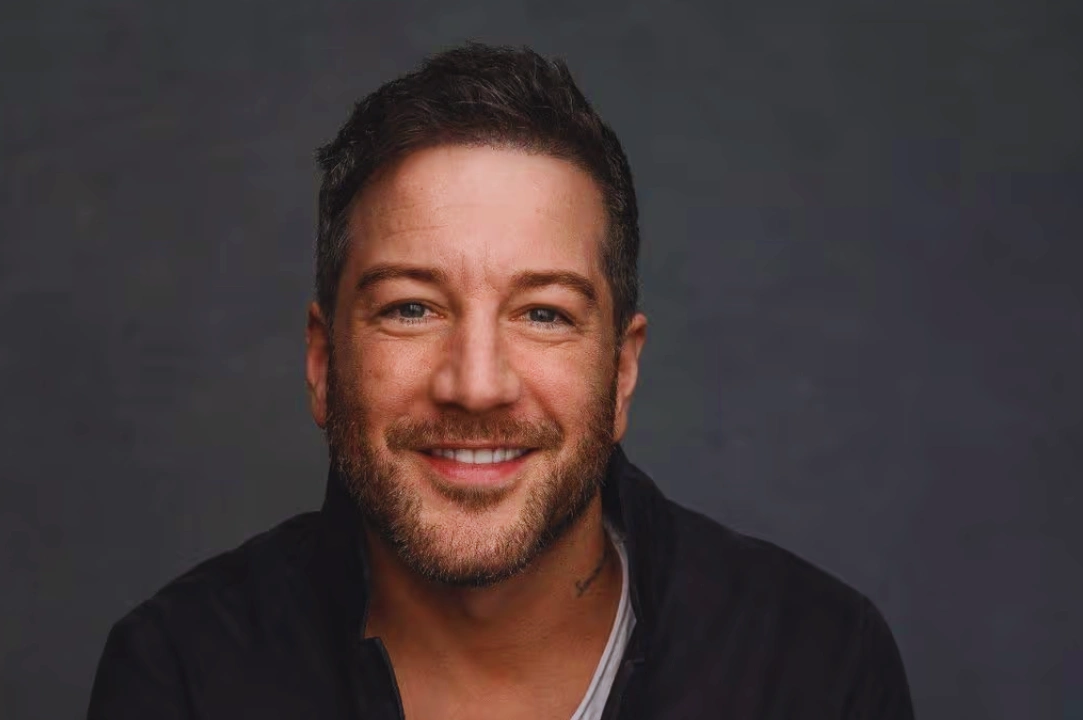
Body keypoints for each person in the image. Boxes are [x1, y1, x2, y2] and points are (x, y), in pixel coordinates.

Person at [87, 42, 914, 719]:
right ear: (323, 361)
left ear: (623, 370)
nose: (476, 385)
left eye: (544, 313)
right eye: (411, 308)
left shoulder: (814, 667)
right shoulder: (183, 674)